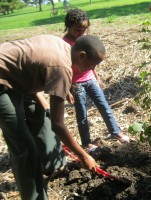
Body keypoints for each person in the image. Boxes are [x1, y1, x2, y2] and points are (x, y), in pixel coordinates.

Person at [0, 34, 102, 199]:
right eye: (92, 64)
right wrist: (83, 155)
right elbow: (58, 125)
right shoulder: (61, 68)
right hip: (3, 82)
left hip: (18, 79)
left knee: (37, 114)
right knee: (25, 147)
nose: (92, 69)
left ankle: (50, 165)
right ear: (82, 55)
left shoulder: (62, 46)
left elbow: (33, 66)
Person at [63, 9, 129, 153]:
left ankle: (115, 131)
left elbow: (92, 61)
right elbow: (64, 69)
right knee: (82, 114)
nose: (81, 33)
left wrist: (96, 76)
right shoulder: (65, 45)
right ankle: (86, 142)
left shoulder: (85, 41)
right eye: (77, 30)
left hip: (90, 78)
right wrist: (68, 89)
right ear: (68, 26)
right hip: (76, 83)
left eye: (84, 30)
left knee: (104, 106)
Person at [24, 92, 67, 179]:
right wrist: (46, 106)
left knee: (45, 130)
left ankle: (57, 164)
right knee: (44, 130)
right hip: (29, 98)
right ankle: (52, 167)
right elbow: (34, 89)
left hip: (27, 98)